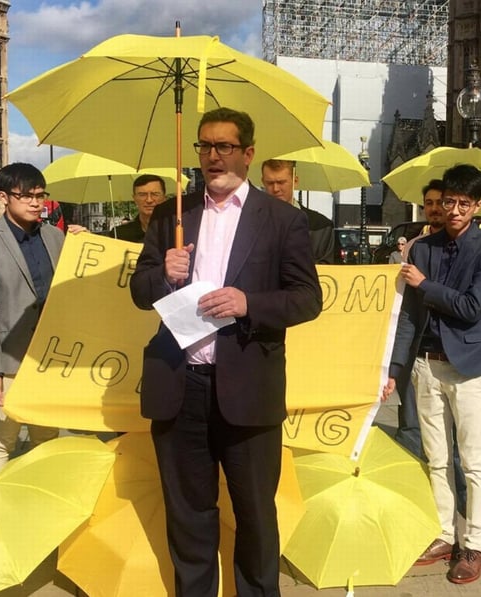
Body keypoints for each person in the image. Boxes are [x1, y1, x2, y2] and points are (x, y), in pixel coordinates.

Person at [130, 107, 322, 597]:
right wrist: (163, 274)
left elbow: (307, 298)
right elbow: (140, 289)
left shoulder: (281, 220)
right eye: (203, 146)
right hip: (180, 387)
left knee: (256, 513)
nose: (212, 157)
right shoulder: (175, 214)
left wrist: (248, 303)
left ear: (248, 154)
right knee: (189, 515)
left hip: (247, 389)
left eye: (223, 147)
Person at [383, 164, 481, 585]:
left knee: (472, 461)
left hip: (468, 367)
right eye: (449, 201)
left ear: (477, 206)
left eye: (463, 204)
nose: (453, 210)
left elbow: (472, 307)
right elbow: (408, 318)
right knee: (436, 459)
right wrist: (396, 368)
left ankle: (474, 546)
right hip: (426, 364)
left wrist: (424, 285)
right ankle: (442, 533)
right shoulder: (422, 249)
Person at [0, 163, 65, 487]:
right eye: (27, 196)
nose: (36, 203)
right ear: (4, 198)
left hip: (49, 358)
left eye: (40, 195)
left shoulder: (56, 236)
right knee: (0, 440)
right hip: (10, 362)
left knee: (47, 439)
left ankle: (45, 511)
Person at [392, 178, 445, 457]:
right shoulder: (414, 246)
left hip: (445, 348)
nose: (434, 208)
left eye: (440, 203)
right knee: (410, 421)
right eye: (429, 203)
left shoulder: (456, 247)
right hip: (415, 342)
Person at [261, 158, 336, 264]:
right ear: (263, 182)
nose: (275, 188)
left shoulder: (321, 227)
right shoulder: (252, 223)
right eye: (270, 183)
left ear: (295, 181)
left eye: (281, 182)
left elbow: (327, 273)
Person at [109, 174, 167, 242]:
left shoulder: (176, 233)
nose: (149, 200)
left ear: (164, 198)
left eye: (155, 194)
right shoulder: (119, 235)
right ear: (134, 199)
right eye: (142, 195)